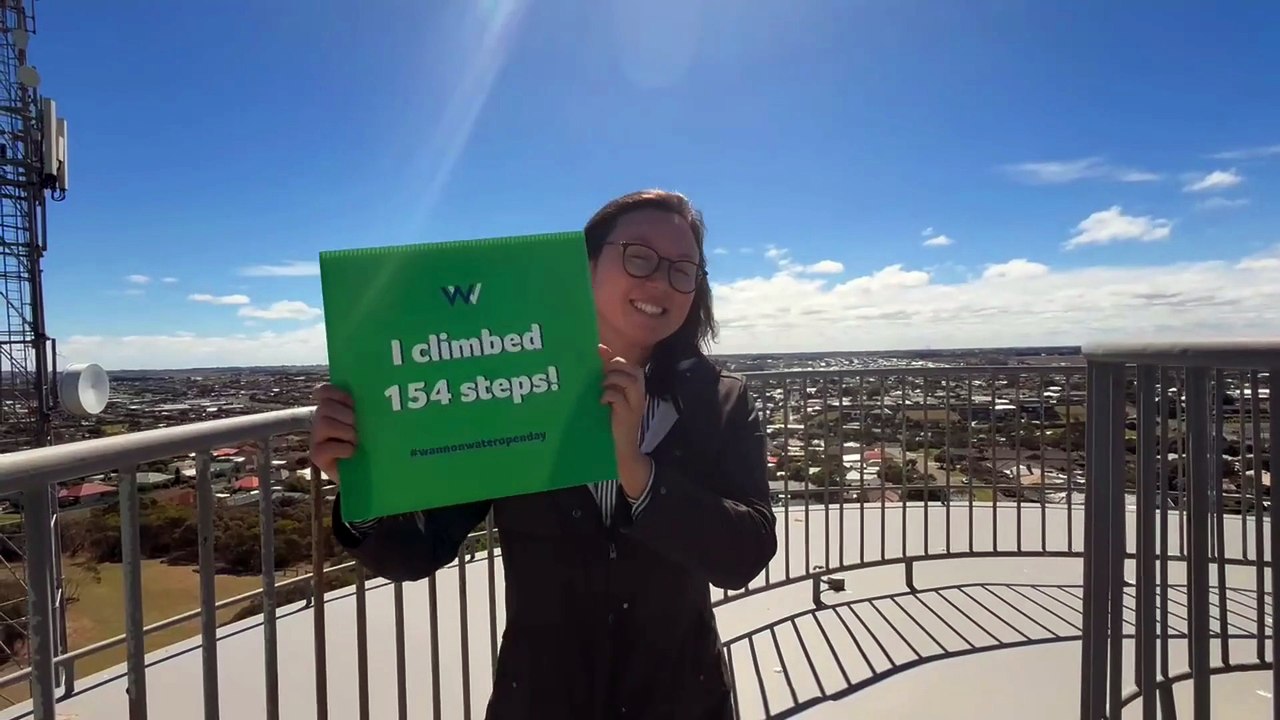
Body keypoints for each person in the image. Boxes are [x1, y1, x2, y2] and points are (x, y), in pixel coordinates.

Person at [309, 189, 778, 720]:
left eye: (684, 268)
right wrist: (364, 483)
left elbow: (747, 551)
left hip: (680, 698)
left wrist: (636, 472)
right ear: (584, 264)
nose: (660, 280)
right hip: (542, 698)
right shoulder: (510, 393)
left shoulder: (720, 399)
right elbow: (418, 549)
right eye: (639, 257)